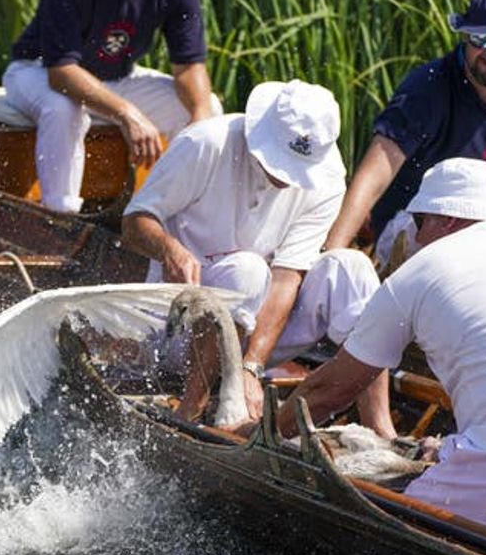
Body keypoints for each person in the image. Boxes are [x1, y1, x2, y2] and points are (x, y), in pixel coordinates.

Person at [272, 157, 486, 547]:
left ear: (447, 219)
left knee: (374, 540)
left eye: (419, 222)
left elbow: (329, 392)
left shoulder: (423, 267)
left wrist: (263, 437)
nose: (418, 238)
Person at [121, 79, 396, 439]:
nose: (284, 178)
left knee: (352, 268)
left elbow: (287, 278)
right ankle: (191, 411)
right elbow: (134, 222)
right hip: (175, 328)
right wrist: (169, 248)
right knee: (246, 270)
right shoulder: (205, 143)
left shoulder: (328, 180)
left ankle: (382, 430)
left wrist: (252, 366)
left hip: (256, 330)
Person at [323, 0, 486, 266]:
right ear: (464, 37)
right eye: (481, 39)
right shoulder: (428, 88)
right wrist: (330, 255)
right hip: (419, 225)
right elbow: (379, 168)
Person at [2, 0, 222, 213]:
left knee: (207, 108)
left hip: (117, 78)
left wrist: (200, 121)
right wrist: (127, 114)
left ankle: (174, 212)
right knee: (64, 108)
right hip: (36, 71)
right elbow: (61, 73)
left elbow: (188, 66)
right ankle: (59, 215)